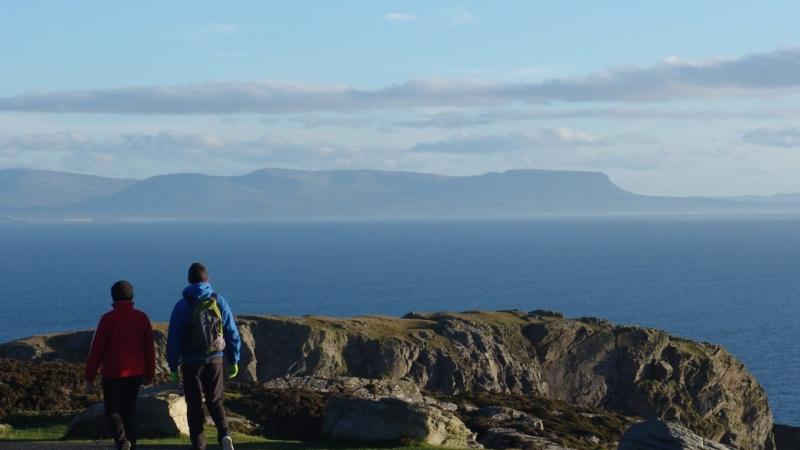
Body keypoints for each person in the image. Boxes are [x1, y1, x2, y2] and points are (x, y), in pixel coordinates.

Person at [167, 262, 241, 450]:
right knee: (215, 401)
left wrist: (173, 366)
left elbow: (174, 338)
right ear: (207, 279)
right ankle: (224, 434)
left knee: (194, 405)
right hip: (215, 358)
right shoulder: (219, 301)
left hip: (191, 363)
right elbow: (232, 332)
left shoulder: (182, 305)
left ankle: (199, 445)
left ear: (189, 280)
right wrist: (234, 360)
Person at [84, 280, 156, 450]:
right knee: (129, 411)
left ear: (113, 297)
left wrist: (89, 376)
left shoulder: (107, 319)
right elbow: (149, 348)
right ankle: (131, 444)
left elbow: (97, 350)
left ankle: (122, 442)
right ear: (132, 296)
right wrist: (150, 373)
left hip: (113, 372)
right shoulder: (142, 317)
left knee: (112, 411)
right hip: (136, 372)